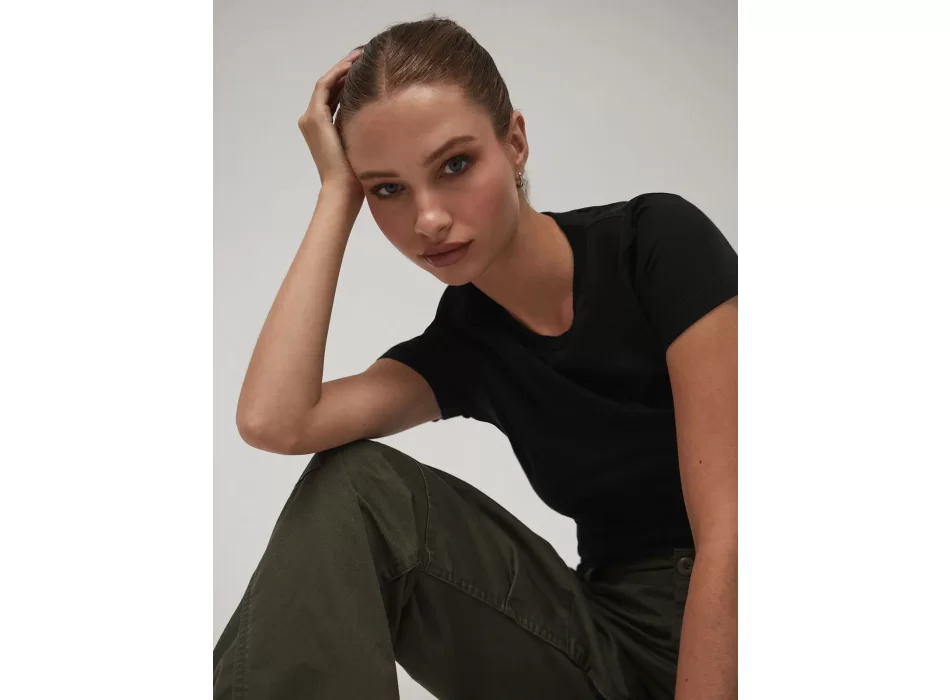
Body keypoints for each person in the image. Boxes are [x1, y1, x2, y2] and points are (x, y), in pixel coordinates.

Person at [214, 15, 737, 700]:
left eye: (454, 165)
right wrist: (336, 194)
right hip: (614, 647)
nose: (428, 219)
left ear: (514, 142)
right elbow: (275, 420)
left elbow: (734, 530)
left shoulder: (655, 246)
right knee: (358, 490)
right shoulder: (467, 343)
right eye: (388, 189)